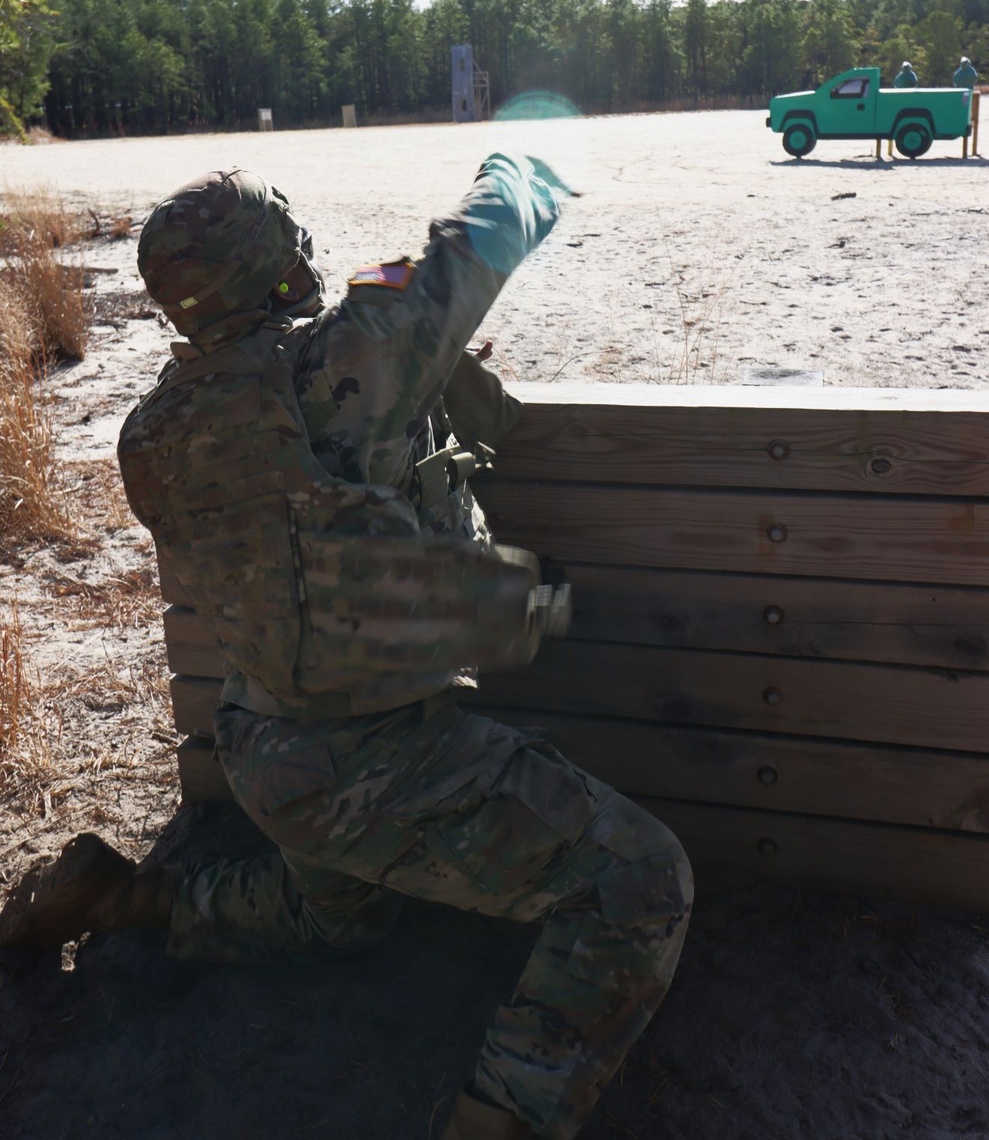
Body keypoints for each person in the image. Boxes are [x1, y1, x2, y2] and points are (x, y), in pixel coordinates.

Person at [0, 159, 693, 1140]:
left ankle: (128, 897)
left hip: (266, 759)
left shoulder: (151, 431)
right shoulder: (347, 361)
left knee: (338, 919)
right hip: (384, 761)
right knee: (639, 882)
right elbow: (476, 247)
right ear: (279, 266)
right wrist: (529, 157)